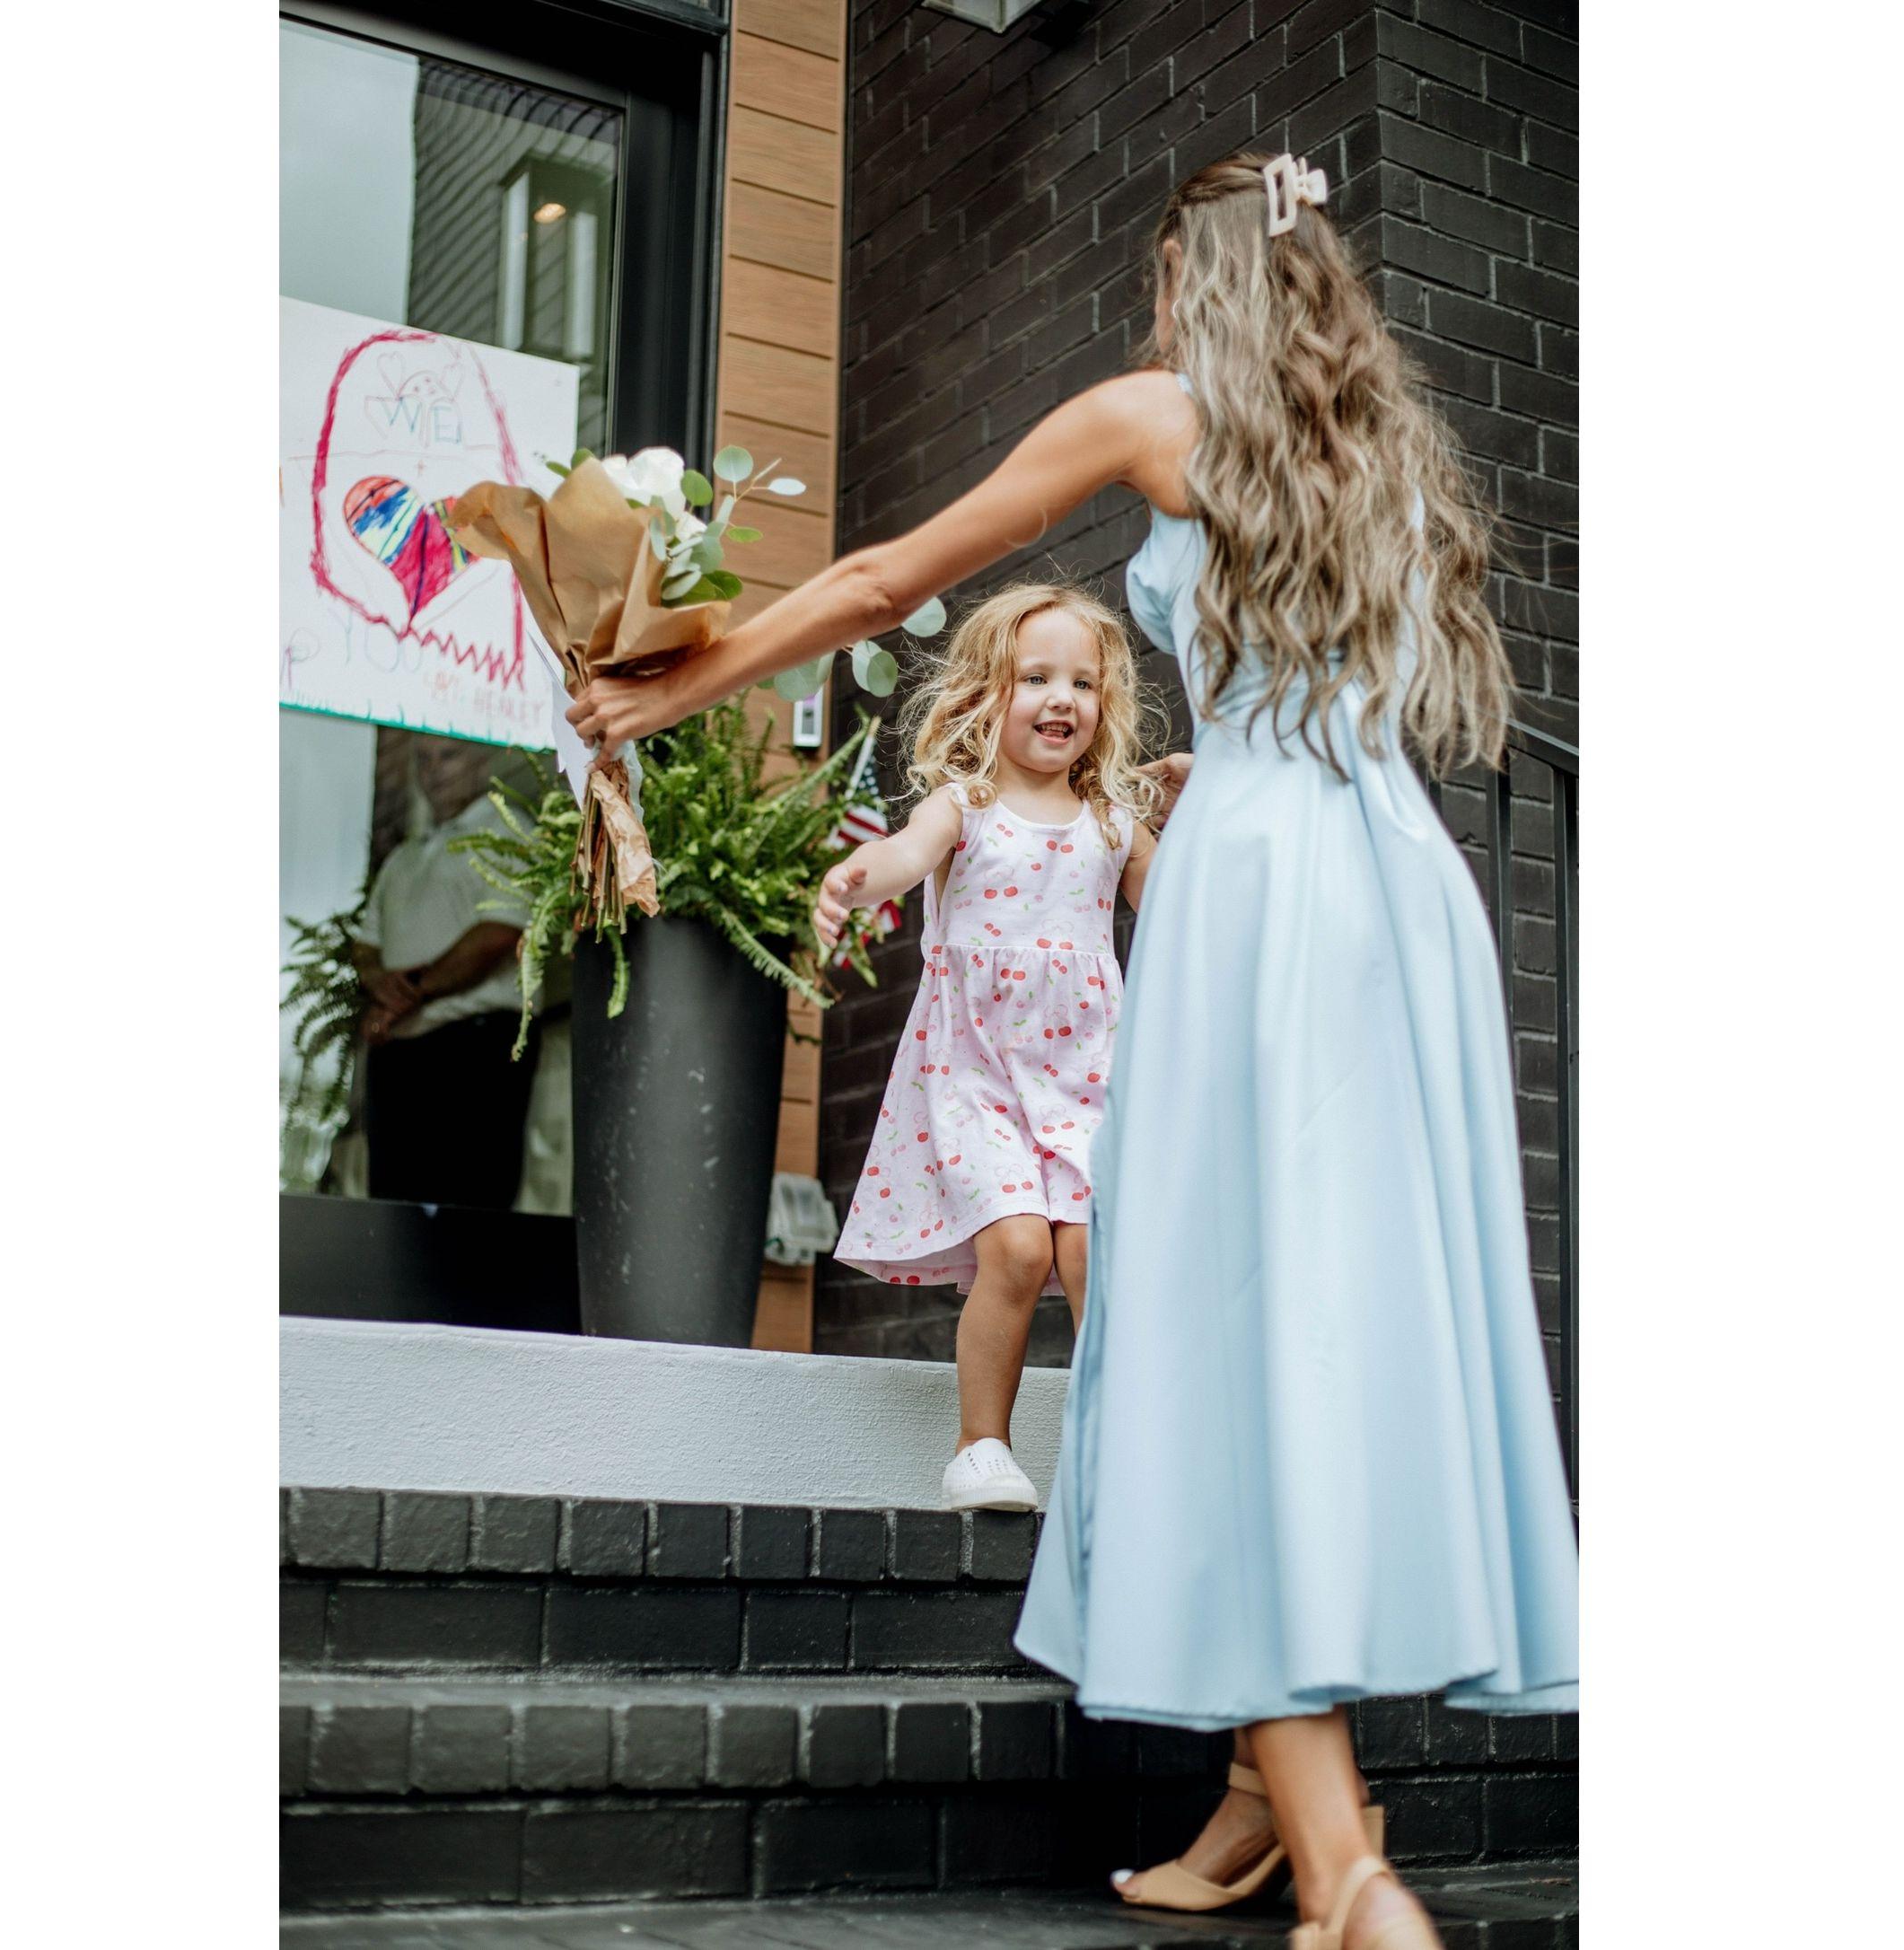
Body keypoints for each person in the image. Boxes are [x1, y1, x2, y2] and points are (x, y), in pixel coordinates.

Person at [567, 151, 1578, 1950]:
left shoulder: (1156, 413)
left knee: (1211, 1342)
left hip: (1259, 888)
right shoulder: (1395, 465)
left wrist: (678, 674)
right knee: (1328, 1327)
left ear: (1192, 284)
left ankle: (1345, 1868)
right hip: (1403, 893)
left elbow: (888, 576)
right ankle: (1259, 1805)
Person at [814, 584, 1163, 1513]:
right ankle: (979, 1450)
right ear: (987, 693)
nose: (1063, 699)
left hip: (1087, 1076)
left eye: (1083, 682)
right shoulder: (964, 805)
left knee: (1091, 1254)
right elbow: (902, 854)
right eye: (1036, 677)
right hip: (977, 1072)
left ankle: (1112, 1457)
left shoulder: (1113, 823)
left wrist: (1204, 810)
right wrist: (855, 876)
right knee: (1015, 1250)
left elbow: (1181, 907)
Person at [354, 773, 535, 1210]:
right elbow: (365, 943)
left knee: (468, 1218)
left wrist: (404, 995)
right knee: (392, 1215)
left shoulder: (510, 830)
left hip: (475, 1046)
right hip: (398, 1053)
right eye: (427, 761)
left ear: (476, 757)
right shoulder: (405, 855)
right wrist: (382, 985)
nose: (437, 773)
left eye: (449, 758)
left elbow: (500, 933)